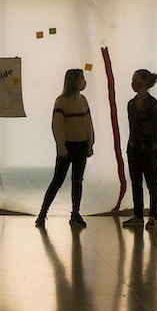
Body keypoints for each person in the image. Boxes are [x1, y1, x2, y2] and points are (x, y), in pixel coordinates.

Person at [36, 68, 94, 229]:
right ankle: (42, 213)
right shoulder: (61, 101)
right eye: (80, 78)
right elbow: (57, 126)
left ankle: (75, 213)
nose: (83, 81)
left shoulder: (83, 100)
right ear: (73, 81)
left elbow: (88, 124)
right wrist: (61, 146)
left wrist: (90, 144)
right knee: (58, 181)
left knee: (77, 181)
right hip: (68, 146)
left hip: (81, 145)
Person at [122, 69, 157, 230]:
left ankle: (153, 216)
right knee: (136, 183)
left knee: (151, 182)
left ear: (146, 82)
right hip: (133, 149)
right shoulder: (131, 104)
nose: (134, 83)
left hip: (150, 150)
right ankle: (137, 215)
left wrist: (151, 143)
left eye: (137, 80)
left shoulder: (155, 105)